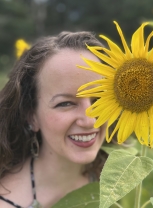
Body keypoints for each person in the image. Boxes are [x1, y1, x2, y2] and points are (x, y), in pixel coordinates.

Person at [0, 31, 107, 208]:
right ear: (31, 115)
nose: (90, 121)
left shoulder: (120, 180)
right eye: (65, 103)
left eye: (99, 100)